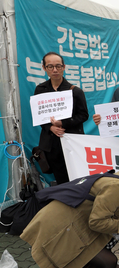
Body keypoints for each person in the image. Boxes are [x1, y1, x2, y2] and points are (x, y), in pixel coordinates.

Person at [33, 52, 89, 184]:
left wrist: (62, 123)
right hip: (51, 145)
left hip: (71, 142)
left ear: (64, 67)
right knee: (61, 180)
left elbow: (83, 115)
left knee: (77, 179)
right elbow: (38, 115)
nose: (55, 70)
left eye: (58, 66)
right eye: (50, 66)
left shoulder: (75, 91)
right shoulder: (40, 90)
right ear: (44, 68)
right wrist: (50, 127)